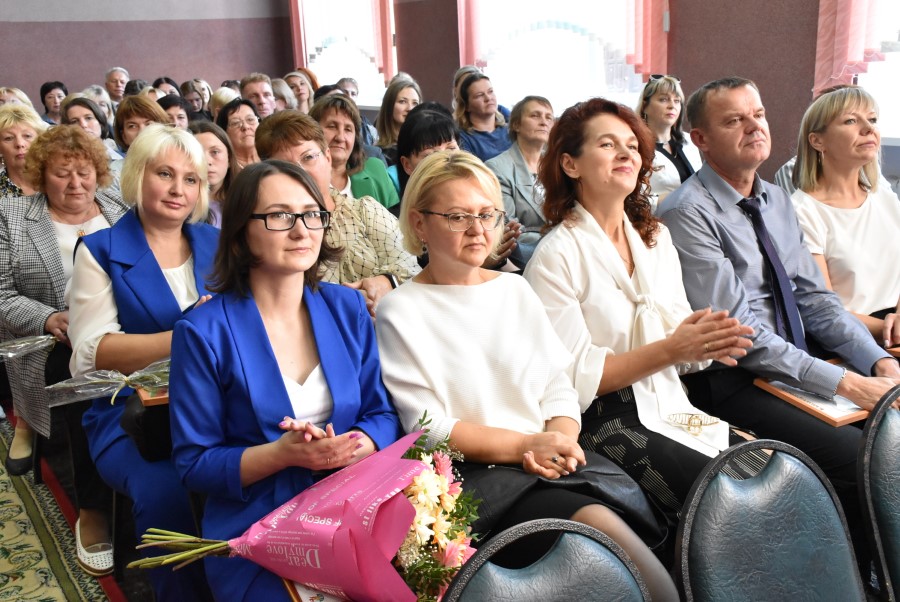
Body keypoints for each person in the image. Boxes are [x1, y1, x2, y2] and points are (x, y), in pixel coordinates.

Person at [376, 151, 677, 601]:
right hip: (479, 482)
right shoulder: (400, 309)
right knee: (616, 549)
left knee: (647, 534)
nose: (478, 230)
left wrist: (559, 441)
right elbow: (429, 428)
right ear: (419, 223)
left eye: (487, 214)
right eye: (458, 216)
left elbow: (558, 384)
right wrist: (525, 446)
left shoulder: (514, 289)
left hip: (548, 463)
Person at [657, 77, 900, 569]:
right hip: (732, 378)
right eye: (734, 120)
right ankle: (858, 578)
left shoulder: (774, 198)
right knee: (862, 456)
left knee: (890, 426)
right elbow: (741, 335)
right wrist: (847, 383)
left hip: (794, 363)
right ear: (700, 139)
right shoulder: (687, 211)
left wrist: (877, 362)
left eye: (759, 114)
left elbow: (816, 301)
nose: (754, 127)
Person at [169, 159, 401, 600]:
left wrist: (351, 446)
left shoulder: (346, 308)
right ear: (241, 231)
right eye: (280, 216)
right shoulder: (202, 332)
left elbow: (382, 414)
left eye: (312, 215)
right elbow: (195, 463)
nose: (302, 231)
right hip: (257, 525)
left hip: (351, 504)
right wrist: (282, 455)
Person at [523, 98, 757, 534]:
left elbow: (681, 352)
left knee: (773, 470)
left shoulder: (655, 239)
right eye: (607, 144)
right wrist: (674, 348)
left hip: (670, 400)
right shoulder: (556, 256)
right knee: (729, 499)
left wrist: (704, 343)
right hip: (603, 418)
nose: (626, 154)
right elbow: (573, 381)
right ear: (570, 165)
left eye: (632, 145)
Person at [67, 124, 217, 601]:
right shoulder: (102, 251)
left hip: (217, 404)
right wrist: (185, 337)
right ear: (136, 175)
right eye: (165, 174)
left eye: (190, 179)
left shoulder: (217, 242)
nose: (178, 189)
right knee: (165, 490)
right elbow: (90, 354)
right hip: (132, 417)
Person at [0, 125, 128, 575]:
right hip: (55, 339)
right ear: (41, 174)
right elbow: (1, 293)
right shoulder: (12, 216)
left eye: (84, 172)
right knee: (82, 386)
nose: (76, 183)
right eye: (62, 173)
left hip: (127, 329)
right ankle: (92, 508)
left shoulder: (120, 207)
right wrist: (49, 318)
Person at [255, 110, 420, 313]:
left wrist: (387, 282)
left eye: (308, 157)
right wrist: (348, 302)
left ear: (327, 158)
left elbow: (412, 267)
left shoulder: (365, 211)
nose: (301, 172)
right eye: (286, 166)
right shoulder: (270, 229)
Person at [790, 86, 900, 348]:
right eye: (851, 120)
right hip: (853, 341)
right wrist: (890, 331)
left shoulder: (885, 197)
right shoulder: (801, 212)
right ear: (817, 141)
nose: (868, 128)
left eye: (872, 119)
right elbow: (821, 310)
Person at [486, 95, 554, 267]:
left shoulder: (558, 165)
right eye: (535, 115)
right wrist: (560, 237)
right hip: (525, 259)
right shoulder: (497, 168)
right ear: (516, 124)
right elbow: (510, 230)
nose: (544, 122)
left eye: (549, 117)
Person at [309, 95, 400, 211]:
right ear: (313, 131)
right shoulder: (301, 176)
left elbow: (396, 220)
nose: (340, 137)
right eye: (332, 126)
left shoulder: (375, 169)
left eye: (348, 129)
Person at [636, 75, 702, 207]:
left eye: (677, 101)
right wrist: (672, 199)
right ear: (645, 106)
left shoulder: (689, 140)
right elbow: (631, 199)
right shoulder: (635, 146)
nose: (672, 106)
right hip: (658, 217)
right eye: (663, 99)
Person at [189, 121, 237, 227]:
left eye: (215, 152)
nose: (207, 161)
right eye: (198, 154)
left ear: (229, 158)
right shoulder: (180, 205)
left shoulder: (246, 200)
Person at [454, 73, 511, 162]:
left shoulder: (511, 130)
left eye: (490, 91)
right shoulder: (462, 138)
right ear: (467, 106)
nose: (488, 98)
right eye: (479, 95)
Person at [0, 104, 48, 197]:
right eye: (9, 138)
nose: (19, 144)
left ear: (40, 139)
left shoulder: (55, 181)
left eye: (27, 136)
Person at [375, 78, 422, 166]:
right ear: (389, 106)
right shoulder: (379, 153)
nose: (410, 108)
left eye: (415, 103)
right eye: (403, 101)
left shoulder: (426, 147)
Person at [61, 96, 122, 162]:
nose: (83, 125)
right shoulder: (63, 162)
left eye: (88, 118)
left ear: (100, 122)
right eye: (75, 121)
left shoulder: (122, 160)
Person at [216, 98, 260, 172]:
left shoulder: (273, 156)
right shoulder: (222, 170)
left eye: (250, 119)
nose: (245, 127)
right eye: (235, 123)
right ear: (224, 132)